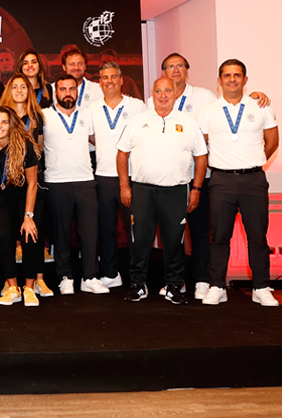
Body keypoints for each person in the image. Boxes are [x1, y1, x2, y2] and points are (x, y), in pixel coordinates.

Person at [148, 52, 268, 300]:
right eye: (170, 66)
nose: (176, 70)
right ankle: (176, 281)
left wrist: (249, 159)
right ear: (163, 73)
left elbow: (228, 114)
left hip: (203, 178)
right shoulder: (153, 101)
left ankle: (204, 280)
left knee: (203, 232)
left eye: (180, 65)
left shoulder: (204, 97)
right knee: (173, 233)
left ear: (187, 70)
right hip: (170, 177)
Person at [117, 77, 208, 304]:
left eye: (168, 91)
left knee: (174, 241)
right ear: (152, 93)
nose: (163, 95)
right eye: (159, 91)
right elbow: (122, 154)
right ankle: (138, 285)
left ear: (175, 93)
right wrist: (124, 186)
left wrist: (196, 189)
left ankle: (174, 286)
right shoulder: (138, 121)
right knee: (139, 241)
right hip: (142, 191)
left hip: (176, 191)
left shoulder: (189, 122)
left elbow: (201, 157)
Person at [197, 59, 279, 307]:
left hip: (254, 180)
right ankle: (217, 286)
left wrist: (252, 162)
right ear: (220, 81)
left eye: (237, 75)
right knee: (219, 236)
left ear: (245, 79)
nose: (232, 79)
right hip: (221, 180)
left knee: (258, 237)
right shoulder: (208, 111)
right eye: (227, 75)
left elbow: (273, 141)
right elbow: (202, 146)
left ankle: (262, 287)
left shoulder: (260, 106)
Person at [42, 75, 108, 295]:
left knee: (90, 233)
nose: (68, 92)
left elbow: (97, 140)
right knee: (60, 235)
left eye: (72, 88)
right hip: (56, 182)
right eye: (63, 89)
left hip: (85, 181)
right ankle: (65, 277)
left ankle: (89, 277)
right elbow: (38, 146)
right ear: (55, 92)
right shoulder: (44, 116)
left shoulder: (88, 114)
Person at [87, 62, 145, 289]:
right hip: (103, 176)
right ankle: (111, 273)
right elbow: (92, 138)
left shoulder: (137, 106)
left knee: (135, 230)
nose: (109, 81)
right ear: (99, 82)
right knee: (106, 228)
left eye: (113, 77)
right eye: (104, 77)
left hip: (132, 176)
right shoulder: (92, 108)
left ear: (122, 80)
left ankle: (138, 276)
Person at [0, 73, 54, 297]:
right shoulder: (1, 117)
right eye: (15, 86)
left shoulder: (37, 116)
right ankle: (9, 282)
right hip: (7, 183)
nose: (19, 90)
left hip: (32, 181)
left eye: (24, 86)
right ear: (8, 91)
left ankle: (35, 281)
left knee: (33, 234)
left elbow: (39, 148)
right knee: (7, 234)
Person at [0, 107, 40, 306]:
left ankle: (29, 288)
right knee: (3, 238)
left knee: (29, 237)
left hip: (26, 199)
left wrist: (28, 216)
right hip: (2, 199)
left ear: (11, 125)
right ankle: (13, 287)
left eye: (4, 122)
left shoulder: (25, 147)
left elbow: (33, 183)